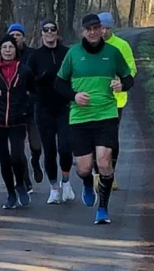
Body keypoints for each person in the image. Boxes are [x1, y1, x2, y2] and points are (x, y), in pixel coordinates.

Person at [55, 13, 134, 225]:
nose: (93, 32)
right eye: (88, 29)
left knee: (104, 160)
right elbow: (59, 84)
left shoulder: (113, 52)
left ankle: (102, 208)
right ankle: (88, 183)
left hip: (106, 113)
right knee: (83, 168)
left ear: (101, 30)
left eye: (96, 28)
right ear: (83, 31)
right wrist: (74, 96)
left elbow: (129, 79)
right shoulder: (73, 54)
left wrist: (121, 85)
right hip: (80, 117)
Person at [28, 19, 75, 204]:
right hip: (43, 108)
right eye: (45, 30)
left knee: (65, 147)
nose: (49, 33)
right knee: (49, 149)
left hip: (64, 106)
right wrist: (39, 81)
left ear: (57, 32)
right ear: (41, 34)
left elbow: (75, 75)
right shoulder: (35, 56)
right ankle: (54, 188)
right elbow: (28, 82)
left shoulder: (67, 53)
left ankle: (66, 182)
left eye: (52, 29)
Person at [0, 36, 36, 209]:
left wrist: (26, 108)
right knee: (4, 159)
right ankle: (10, 193)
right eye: (4, 47)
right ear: (0, 50)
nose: (8, 50)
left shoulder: (24, 70)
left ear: (16, 50)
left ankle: (20, 185)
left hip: (17, 121)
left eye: (11, 47)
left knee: (17, 157)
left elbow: (34, 91)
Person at [99, 12, 136, 186]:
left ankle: (110, 174)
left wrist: (121, 81)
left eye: (107, 28)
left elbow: (131, 69)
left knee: (110, 138)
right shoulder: (90, 46)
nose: (104, 31)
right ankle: (97, 175)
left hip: (116, 99)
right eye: (101, 28)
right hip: (93, 100)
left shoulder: (122, 45)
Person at [7, 22, 43, 189]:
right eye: (12, 35)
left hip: (33, 107)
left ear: (23, 37)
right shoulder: (5, 56)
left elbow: (39, 79)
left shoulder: (33, 55)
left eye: (18, 35)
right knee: (18, 148)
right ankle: (25, 179)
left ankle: (35, 160)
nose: (15, 38)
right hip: (16, 110)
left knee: (36, 144)